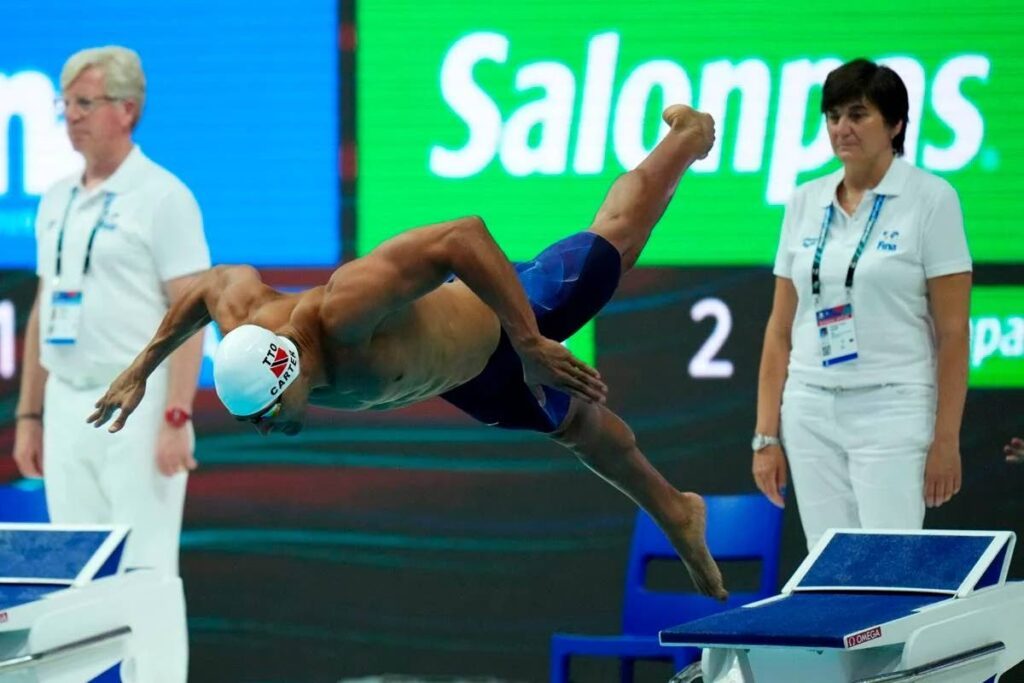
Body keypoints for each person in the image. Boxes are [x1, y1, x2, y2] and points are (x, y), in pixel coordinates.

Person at [88, 104, 728, 600]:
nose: (266, 431)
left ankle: (689, 135)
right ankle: (678, 511)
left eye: (266, 415)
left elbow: (462, 235)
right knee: (579, 430)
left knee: (614, 238)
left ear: (287, 377)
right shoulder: (247, 326)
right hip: (464, 380)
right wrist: (140, 368)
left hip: (508, 321)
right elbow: (208, 286)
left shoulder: (342, 310)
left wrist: (531, 342)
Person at [11, 46, 208, 681]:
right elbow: (46, 304)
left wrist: (178, 414)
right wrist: (30, 414)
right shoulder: (55, 198)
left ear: (128, 110)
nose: (71, 116)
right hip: (67, 402)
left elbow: (191, 311)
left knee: (146, 568)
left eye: (85, 104)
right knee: (75, 573)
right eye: (65, 103)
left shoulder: (163, 196)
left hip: (139, 405)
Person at [751, 58, 972, 551]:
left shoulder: (932, 199)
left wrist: (946, 439)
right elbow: (779, 328)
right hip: (809, 406)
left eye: (857, 115)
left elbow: (954, 332)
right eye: (833, 117)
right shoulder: (804, 200)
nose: (841, 129)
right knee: (831, 570)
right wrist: (766, 436)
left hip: (893, 407)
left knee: (888, 569)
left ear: (895, 125)